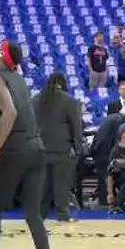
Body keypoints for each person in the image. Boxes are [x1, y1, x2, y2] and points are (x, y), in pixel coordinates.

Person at [0, 40, 50, 249]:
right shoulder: (20, 79)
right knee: (33, 215)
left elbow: (11, 112)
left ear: (1, 56)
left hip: (14, 149)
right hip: (37, 148)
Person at [31, 73, 83, 223]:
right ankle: (62, 215)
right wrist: (77, 148)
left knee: (43, 186)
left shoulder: (34, 100)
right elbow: (76, 127)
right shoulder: (70, 100)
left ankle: (38, 216)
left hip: (40, 148)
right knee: (61, 184)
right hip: (62, 149)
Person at [90, 113, 122, 206]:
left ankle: (103, 201)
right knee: (106, 178)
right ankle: (105, 203)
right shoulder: (118, 120)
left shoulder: (110, 119)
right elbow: (117, 139)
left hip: (98, 151)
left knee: (103, 179)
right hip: (105, 152)